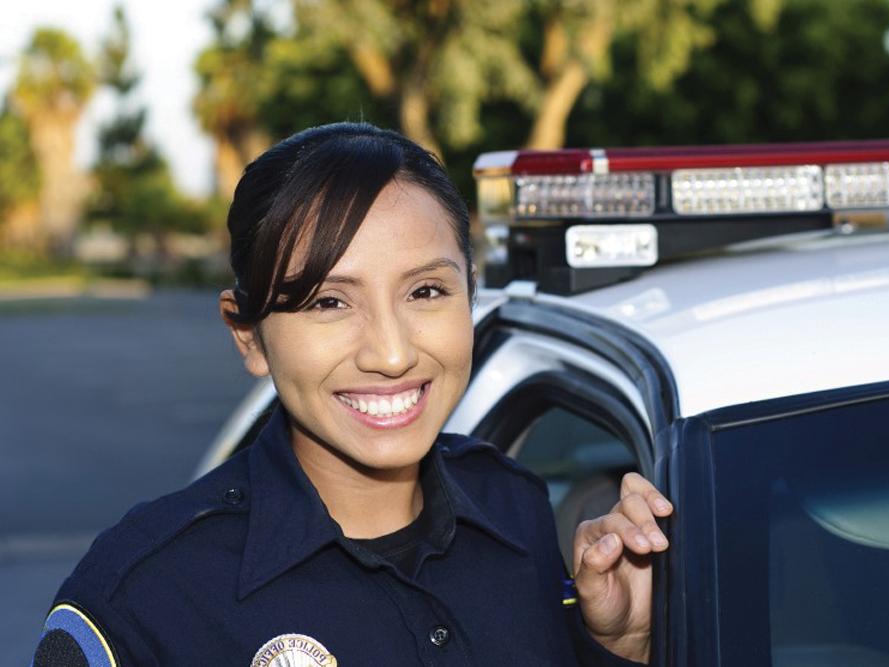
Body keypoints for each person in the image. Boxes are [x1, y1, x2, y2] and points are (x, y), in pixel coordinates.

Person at [32, 123, 672, 666]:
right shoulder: (146, 598)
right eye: (329, 302)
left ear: (470, 297)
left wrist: (618, 644)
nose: (391, 354)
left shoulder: (516, 509)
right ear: (249, 335)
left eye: (425, 292)